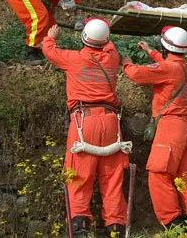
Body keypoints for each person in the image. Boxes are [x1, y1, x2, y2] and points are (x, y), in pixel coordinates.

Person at [42, 19, 129, 237]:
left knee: (79, 176)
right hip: (111, 123)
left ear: (84, 38)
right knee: (113, 179)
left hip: (83, 122)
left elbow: (49, 51)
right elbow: (109, 44)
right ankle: (115, 228)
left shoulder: (74, 59)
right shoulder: (112, 58)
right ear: (105, 40)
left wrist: (51, 36)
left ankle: (80, 228)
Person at [122, 26, 187, 228]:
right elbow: (166, 65)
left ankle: (173, 222)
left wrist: (127, 64)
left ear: (166, 47)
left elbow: (138, 75)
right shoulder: (183, 66)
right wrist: (151, 52)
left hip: (171, 126)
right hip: (186, 126)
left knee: (158, 174)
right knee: (184, 176)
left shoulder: (169, 68)